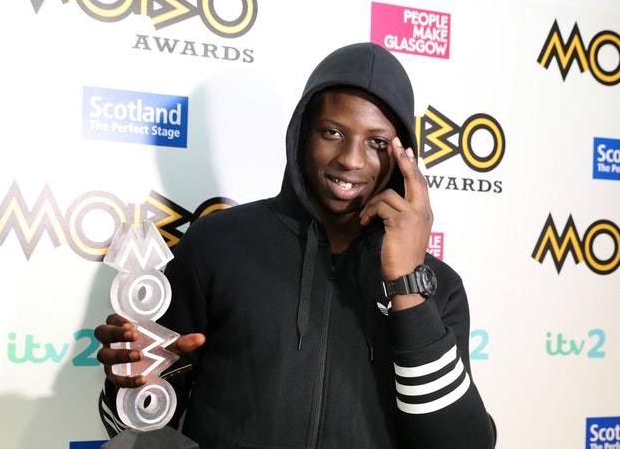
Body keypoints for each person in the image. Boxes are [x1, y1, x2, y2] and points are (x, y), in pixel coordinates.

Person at [95, 42, 497, 448]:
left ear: (403, 158)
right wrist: (130, 384)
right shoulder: (216, 244)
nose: (352, 160)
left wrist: (406, 284)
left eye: (377, 143)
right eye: (333, 132)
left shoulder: (438, 287)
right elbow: (139, 423)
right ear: (303, 134)